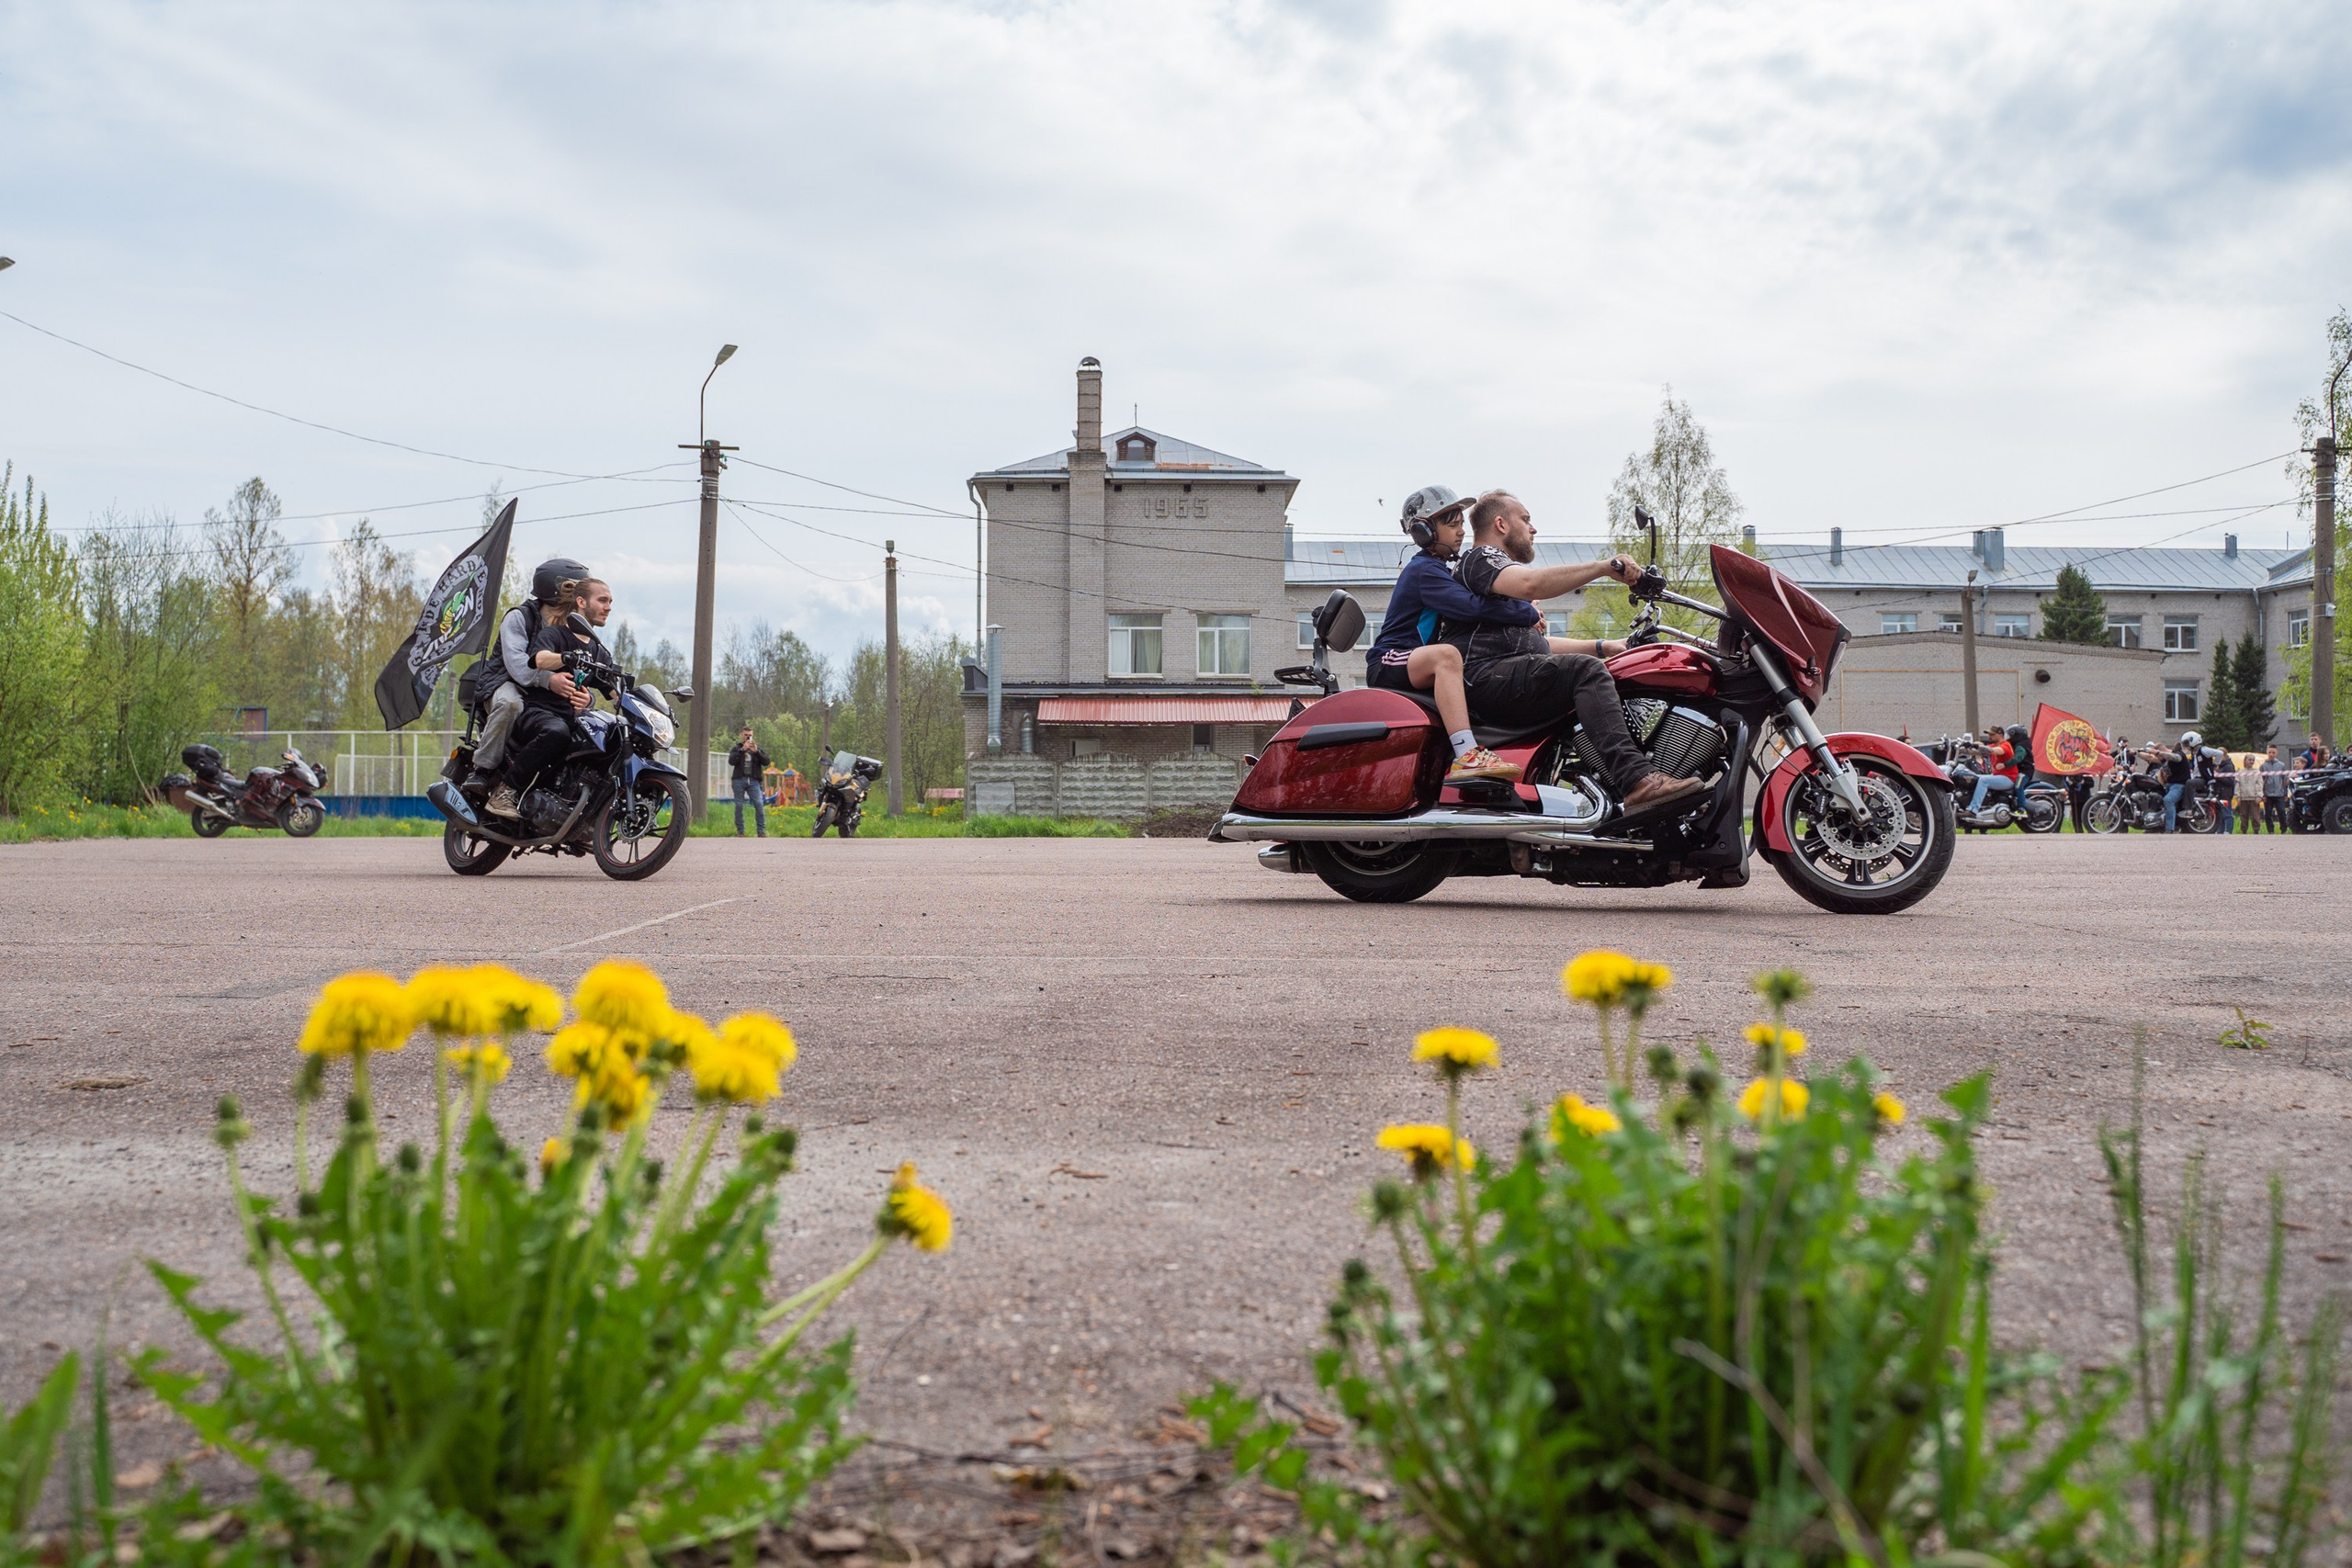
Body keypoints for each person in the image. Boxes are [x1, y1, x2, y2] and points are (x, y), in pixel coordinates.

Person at [1441, 490, 1706, 818]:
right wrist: (1605, 567)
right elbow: (1531, 585)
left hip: (1506, 673)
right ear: (1501, 524)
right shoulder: (1482, 560)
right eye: (1525, 519)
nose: (1533, 528)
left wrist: (1603, 647)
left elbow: (1534, 645)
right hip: (1485, 678)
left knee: (1598, 668)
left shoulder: (1496, 579)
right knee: (1584, 672)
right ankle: (1637, 781)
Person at [1363, 485, 1525, 784]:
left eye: (1462, 523)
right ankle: (1467, 756)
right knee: (1447, 656)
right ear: (1424, 532)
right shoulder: (1424, 570)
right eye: (1452, 525)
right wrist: (1526, 612)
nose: (1461, 532)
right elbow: (1473, 608)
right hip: (1390, 660)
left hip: (1411, 662)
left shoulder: (1442, 570)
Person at [469, 558, 594, 805]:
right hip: (505, 682)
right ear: (552, 587)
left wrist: (587, 697)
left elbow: (587, 665)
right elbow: (518, 667)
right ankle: (481, 772)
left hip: (541, 694)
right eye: (574, 587)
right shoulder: (519, 617)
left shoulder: (574, 625)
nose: (581, 596)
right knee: (510, 705)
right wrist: (550, 681)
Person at [492, 588, 614, 818]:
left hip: (571, 718)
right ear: (581, 602)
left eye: (610, 602)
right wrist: (565, 657)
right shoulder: (555, 635)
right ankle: (506, 790)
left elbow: (612, 689)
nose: (608, 607)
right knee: (557, 733)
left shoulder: (599, 651)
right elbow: (538, 659)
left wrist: (590, 699)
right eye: (602, 600)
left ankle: (582, 811)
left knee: (603, 740)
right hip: (538, 712)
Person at [728, 727, 770, 836]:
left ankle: (761, 831)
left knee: (759, 804)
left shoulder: (757, 749)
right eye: (746, 735)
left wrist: (756, 752)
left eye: (750, 735)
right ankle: (740, 831)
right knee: (739, 805)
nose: (748, 737)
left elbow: (766, 761)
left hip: (753, 780)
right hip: (739, 779)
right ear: (742, 734)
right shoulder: (737, 748)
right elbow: (731, 761)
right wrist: (742, 750)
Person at [2154, 730, 2199, 833]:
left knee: (2168, 800)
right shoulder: (2167, 760)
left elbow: (2175, 757)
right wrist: (2137, 752)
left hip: (2179, 785)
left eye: (2156, 751)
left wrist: (2159, 753)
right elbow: (2150, 758)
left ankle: (2169, 829)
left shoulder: (2179, 756)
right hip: (2170, 785)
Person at [2259, 743, 2290, 832]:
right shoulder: (2263, 766)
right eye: (2269, 752)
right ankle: (2270, 830)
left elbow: (2284, 780)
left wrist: (2285, 793)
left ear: (2277, 753)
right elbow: (2261, 781)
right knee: (2268, 814)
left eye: (2273, 752)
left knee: (2281, 812)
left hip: (2279, 793)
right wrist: (2263, 794)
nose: (2271, 754)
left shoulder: (2281, 765)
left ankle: (2283, 829)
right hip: (2268, 794)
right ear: (2267, 753)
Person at [2211, 747, 2238, 834]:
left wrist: (2218, 776)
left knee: (2227, 813)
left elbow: (2230, 781)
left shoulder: (2229, 766)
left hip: (2225, 793)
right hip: (2219, 792)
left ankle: (2229, 830)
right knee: (2220, 813)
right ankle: (2220, 830)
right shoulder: (2220, 766)